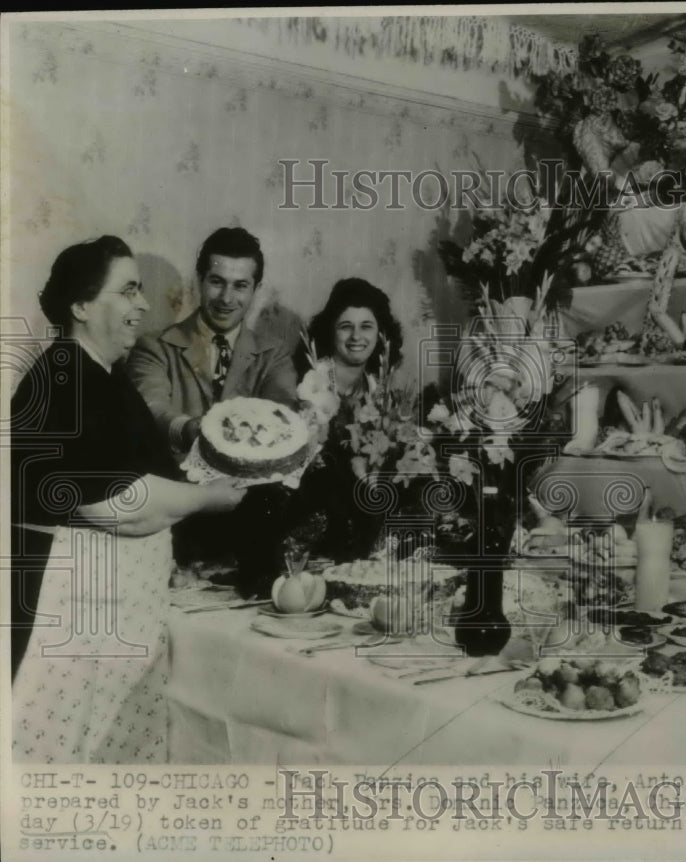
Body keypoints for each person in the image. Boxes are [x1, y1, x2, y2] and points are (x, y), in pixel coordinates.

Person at [10, 236, 246, 763]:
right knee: (64, 767)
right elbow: (120, 502)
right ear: (81, 306)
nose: (143, 305)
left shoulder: (99, 377)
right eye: (129, 291)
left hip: (110, 612)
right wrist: (210, 498)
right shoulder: (66, 381)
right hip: (75, 615)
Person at [126, 227, 298, 458]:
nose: (226, 298)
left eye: (240, 286)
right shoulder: (154, 347)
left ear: (255, 290)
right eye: (217, 282)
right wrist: (188, 430)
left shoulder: (274, 354)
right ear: (199, 281)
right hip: (178, 487)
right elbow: (151, 409)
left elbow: (282, 413)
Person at [284, 279, 404, 565]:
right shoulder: (308, 382)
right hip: (312, 504)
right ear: (330, 331)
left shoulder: (379, 389)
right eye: (345, 326)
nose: (356, 336)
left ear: (380, 334)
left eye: (366, 326)